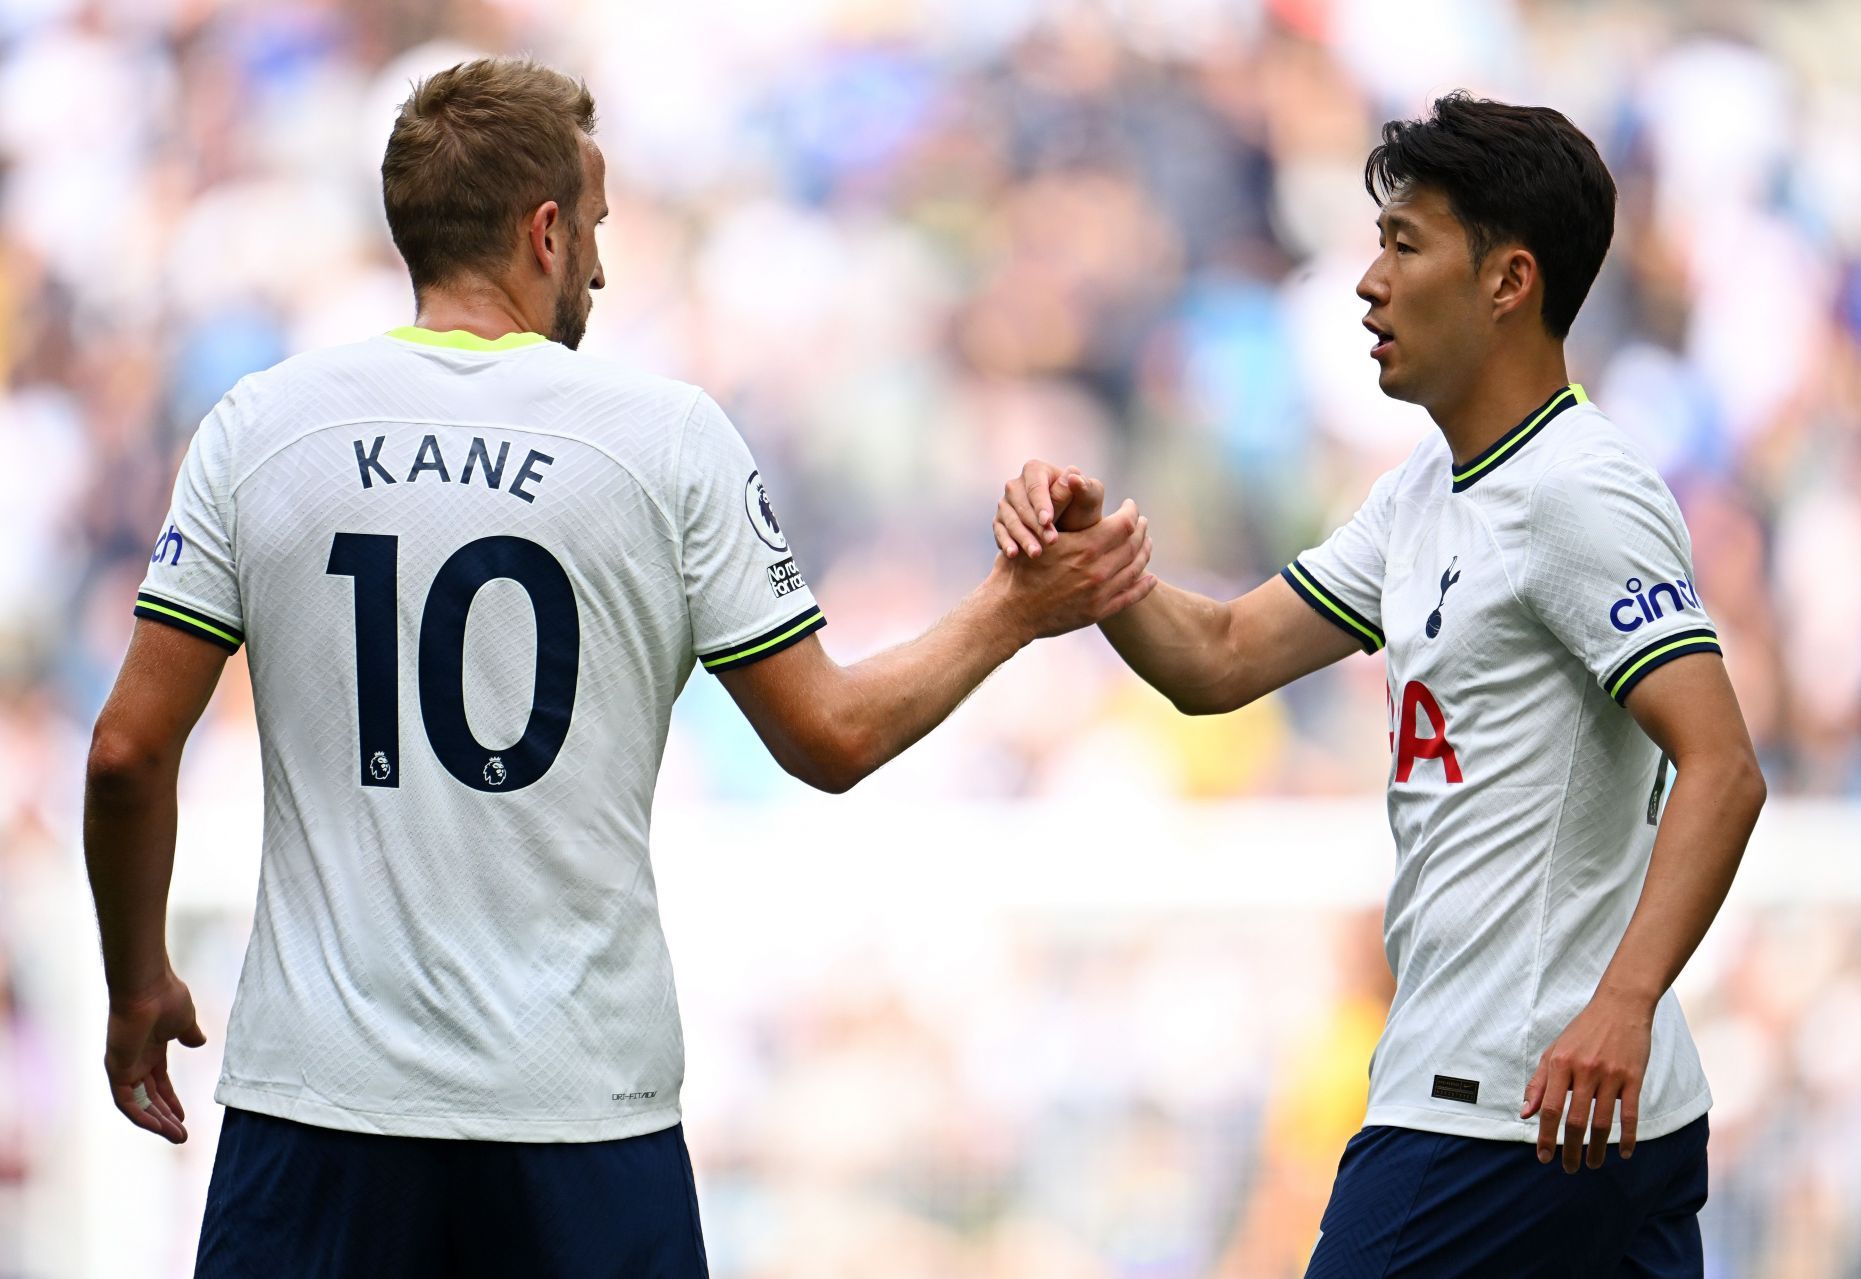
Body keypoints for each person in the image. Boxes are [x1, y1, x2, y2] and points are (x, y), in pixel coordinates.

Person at [83, 57, 1154, 1279]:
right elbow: (833, 736)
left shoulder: (261, 427)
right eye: (593, 228)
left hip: (317, 1109)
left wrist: (136, 981)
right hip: (578, 1113)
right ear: (544, 231)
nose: (601, 262)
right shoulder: (664, 439)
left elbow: (125, 752)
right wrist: (1015, 610)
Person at [996, 93, 1766, 1277]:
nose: (1368, 281)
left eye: (1406, 244)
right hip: (1566, 1108)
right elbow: (1222, 657)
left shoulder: (1575, 491)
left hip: (1501, 1106)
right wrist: (1103, 572)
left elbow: (1723, 764)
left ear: (1509, 281)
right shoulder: (1426, 492)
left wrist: (1623, 1001)